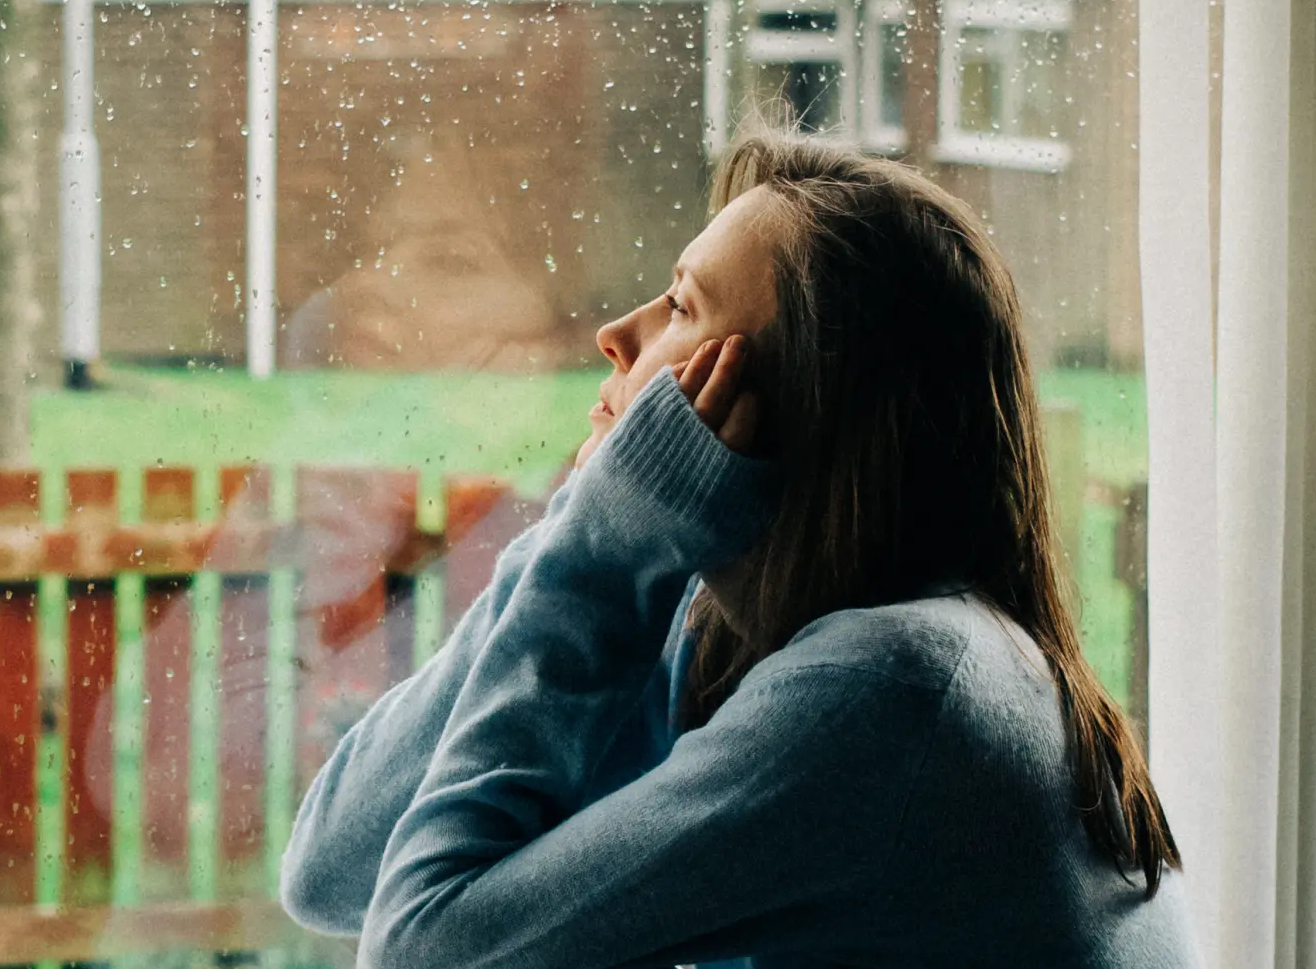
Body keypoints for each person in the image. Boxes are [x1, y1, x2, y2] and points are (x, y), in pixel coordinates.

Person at [279, 131, 1199, 968]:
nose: (616, 334)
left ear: (799, 401)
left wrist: (600, 548)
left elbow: (419, 956)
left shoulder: (897, 689)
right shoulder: (726, 626)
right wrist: (596, 534)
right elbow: (329, 870)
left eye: (681, 304)